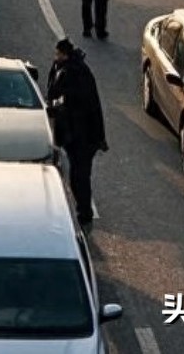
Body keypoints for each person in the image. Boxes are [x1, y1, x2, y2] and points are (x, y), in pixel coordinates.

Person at [47, 37, 108, 226]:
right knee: (79, 174)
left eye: (57, 54)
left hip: (81, 136)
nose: (55, 57)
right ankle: (83, 209)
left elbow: (60, 97)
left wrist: (55, 109)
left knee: (79, 176)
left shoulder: (71, 73)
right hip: (83, 135)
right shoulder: (76, 70)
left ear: (64, 54)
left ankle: (85, 212)